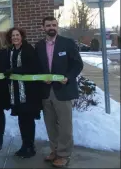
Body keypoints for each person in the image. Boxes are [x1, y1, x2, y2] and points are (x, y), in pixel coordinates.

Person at [35, 16, 83, 167]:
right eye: (48, 25)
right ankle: (54, 150)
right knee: (50, 124)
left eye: (54, 25)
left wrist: (68, 78)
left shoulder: (67, 43)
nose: (51, 27)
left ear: (57, 26)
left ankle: (64, 153)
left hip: (63, 90)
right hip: (46, 90)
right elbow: (37, 67)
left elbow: (77, 65)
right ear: (43, 27)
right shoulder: (39, 46)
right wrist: (42, 78)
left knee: (64, 124)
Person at [5, 27, 41, 159]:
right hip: (16, 91)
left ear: (22, 36)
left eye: (17, 35)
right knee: (21, 119)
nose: (15, 37)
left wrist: (14, 70)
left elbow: (32, 67)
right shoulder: (11, 50)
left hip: (28, 92)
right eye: (13, 35)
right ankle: (24, 145)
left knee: (28, 119)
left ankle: (30, 146)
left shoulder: (28, 49)